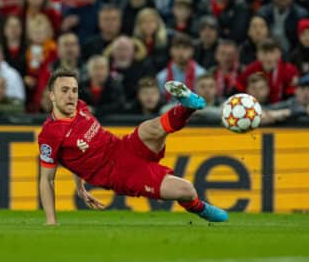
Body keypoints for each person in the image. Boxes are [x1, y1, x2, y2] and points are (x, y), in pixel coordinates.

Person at [38, 69, 228, 224]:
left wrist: (80, 188)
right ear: (52, 95)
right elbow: (47, 180)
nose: (71, 95)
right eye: (64, 90)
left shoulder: (80, 106)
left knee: (149, 128)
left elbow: (78, 155)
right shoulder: (50, 134)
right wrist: (51, 221)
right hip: (120, 174)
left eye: (74, 90)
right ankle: (199, 207)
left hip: (122, 147)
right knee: (186, 190)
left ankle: (187, 106)